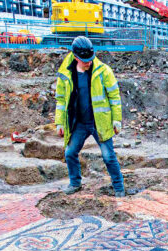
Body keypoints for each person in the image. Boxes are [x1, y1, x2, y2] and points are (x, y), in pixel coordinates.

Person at [55, 36, 125, 197]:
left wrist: (116, 120)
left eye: (90, 59)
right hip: (79, 122)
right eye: (85, 60)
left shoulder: (103, 71)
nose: (88, 62)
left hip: (99, 122)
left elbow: (114, 96)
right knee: (70, 152)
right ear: (75, 57)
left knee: (109, 156)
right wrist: (59, 122)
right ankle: (75, 183)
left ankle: (119, 188)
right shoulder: (66, 73)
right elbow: (60, 99)